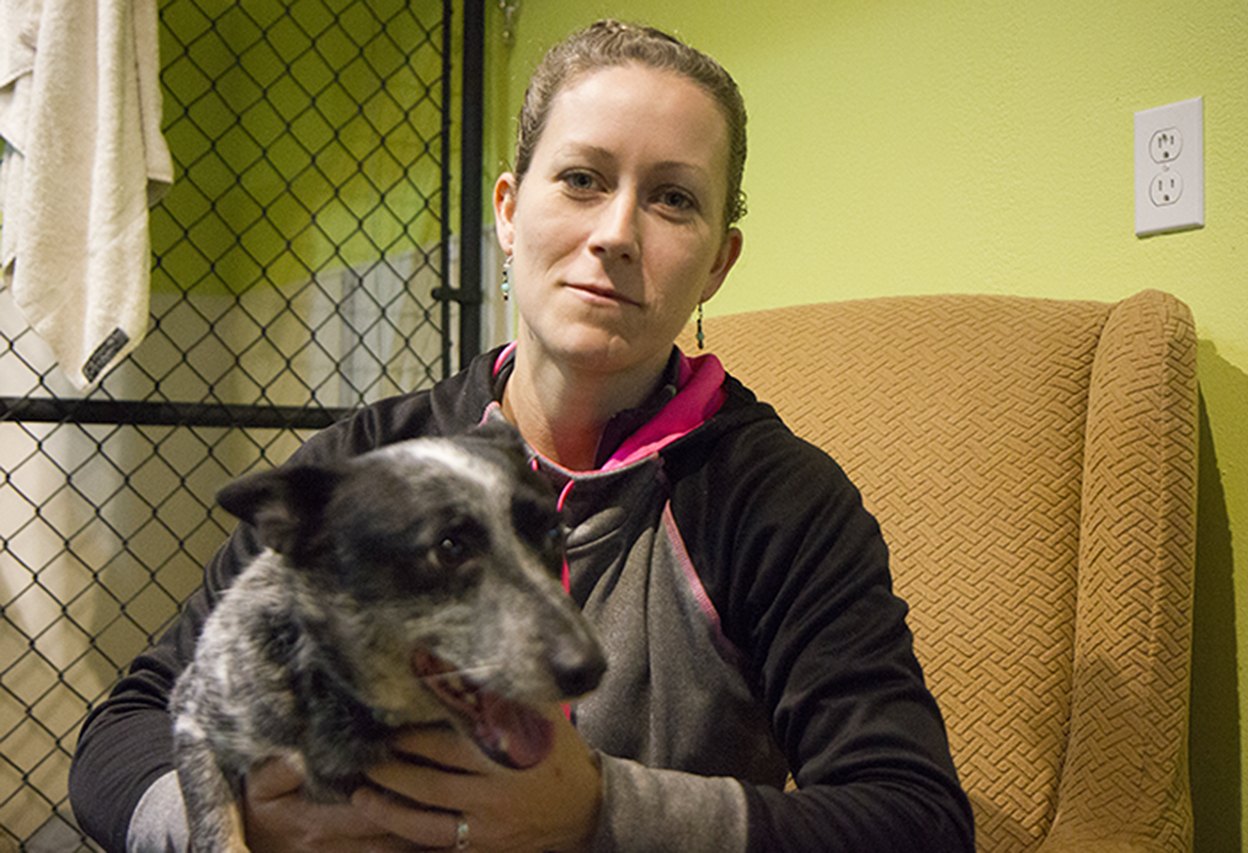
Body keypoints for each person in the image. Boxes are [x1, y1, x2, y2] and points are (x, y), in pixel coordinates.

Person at [70, 19, 974, 852]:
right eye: (582, 179)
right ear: (509, 211)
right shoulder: (367, 467)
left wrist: (598, 812)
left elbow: (915, 815)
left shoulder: (777, 502)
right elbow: (132, 723)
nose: (616, 233)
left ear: (717, 264)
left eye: (672, 200)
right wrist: (238, 826)